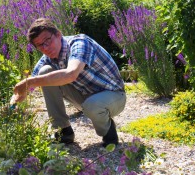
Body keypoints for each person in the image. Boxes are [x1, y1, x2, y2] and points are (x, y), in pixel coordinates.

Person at [11, 17, 126, 147]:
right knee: (44, 72)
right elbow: (29, 87)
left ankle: (109, 134)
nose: (46, 47)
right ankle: (63, 132)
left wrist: (30, 82)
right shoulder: (47, 58)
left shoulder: (80, 43)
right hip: (86, 97)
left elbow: (71, 74)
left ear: (58, 35)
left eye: (47, 40)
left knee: (92, 104)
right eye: (40, 45)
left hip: (114, 96)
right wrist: (12, 104)